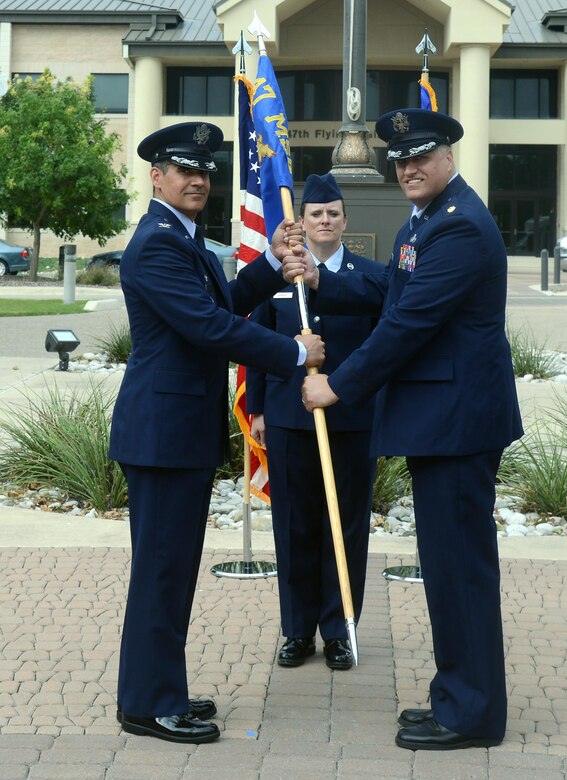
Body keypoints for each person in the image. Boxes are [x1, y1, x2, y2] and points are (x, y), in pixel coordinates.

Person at [286, 108, 523, 751]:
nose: (409, 168)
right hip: (440, 424)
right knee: (448, 570)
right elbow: (391, 289)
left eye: (421, 155)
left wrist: (335, 385)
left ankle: (470, 715)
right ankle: (457, 696)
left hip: (458, 425)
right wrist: (321, 282)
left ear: (449, 155)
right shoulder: (429, 221)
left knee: (460, 572)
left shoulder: (462, 228)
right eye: (400, 160)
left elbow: (407, 325)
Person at [108, 122, 325, 745]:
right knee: (161, 570)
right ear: (157, 176)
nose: (198, 179)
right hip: (161, 434)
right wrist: (291, 350)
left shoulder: (182, 239)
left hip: (177, 432)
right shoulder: (156, 244)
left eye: (205, 171)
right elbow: (206, 327)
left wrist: (266, 266)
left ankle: (159, 690)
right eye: (184, 170)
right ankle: (148, 704)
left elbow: (222, 304)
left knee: (171, 570)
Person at [246, 173, 383, 671]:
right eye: (315, 214)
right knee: (294, 526)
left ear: (345, 220)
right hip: (286, 419)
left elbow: (380, 348)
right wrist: (258, 408)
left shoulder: (370, 278)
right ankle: (297, 629)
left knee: (344, 528)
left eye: (332, 213)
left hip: (349, 421)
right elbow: (256, 343)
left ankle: (339, 628)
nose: (324, 221)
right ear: (301, 223)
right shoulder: (282, 277)